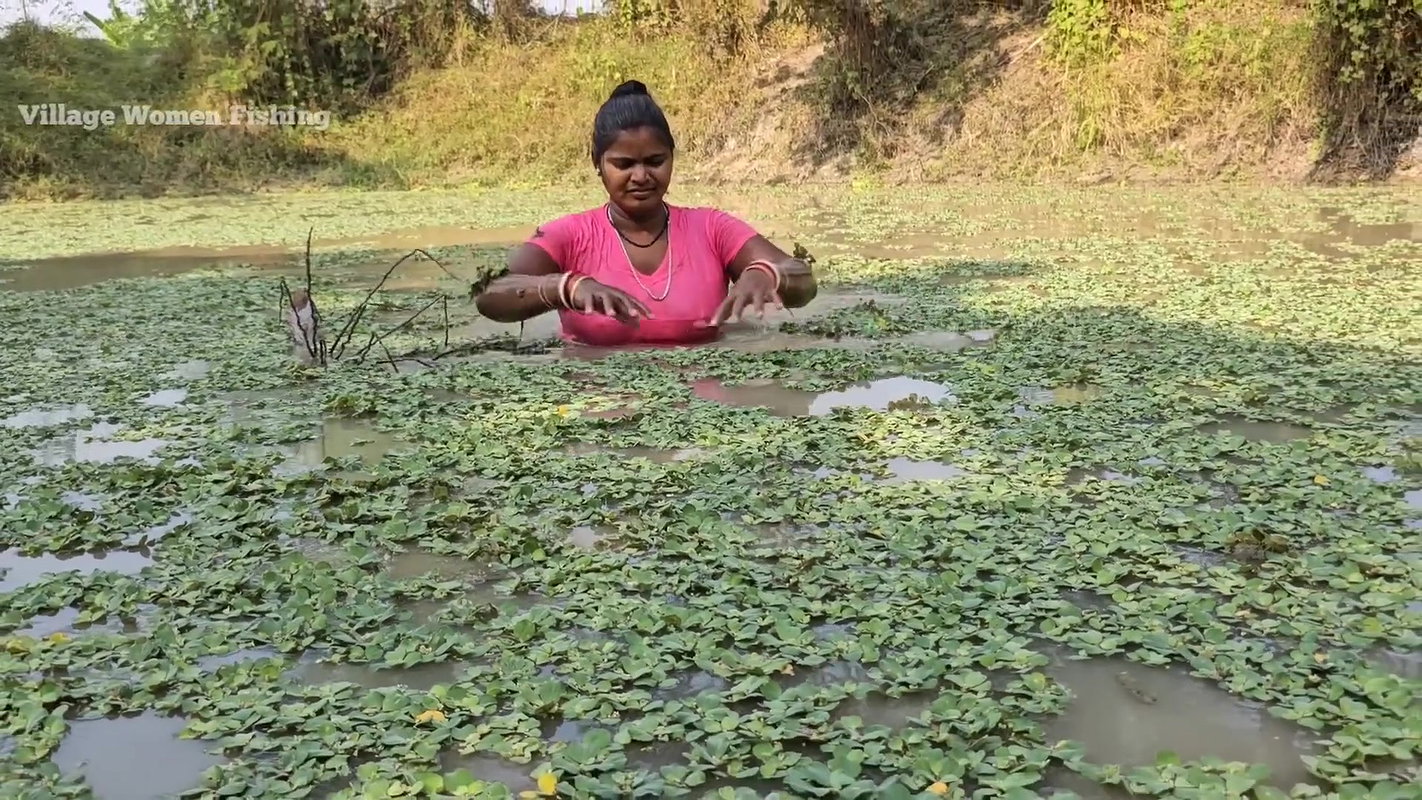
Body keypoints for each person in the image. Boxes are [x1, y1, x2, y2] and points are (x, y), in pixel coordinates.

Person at [473, 80, 817, 347]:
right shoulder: (568, 235)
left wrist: (765, 275)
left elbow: (804, 281)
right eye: (623, 164)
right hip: (594, 406)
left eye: (655, 161)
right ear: (598, 164)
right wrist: (565, 287)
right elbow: (490, 295)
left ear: (671, 158)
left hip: (704, 413)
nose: (641, 176)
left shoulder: (712, 228)